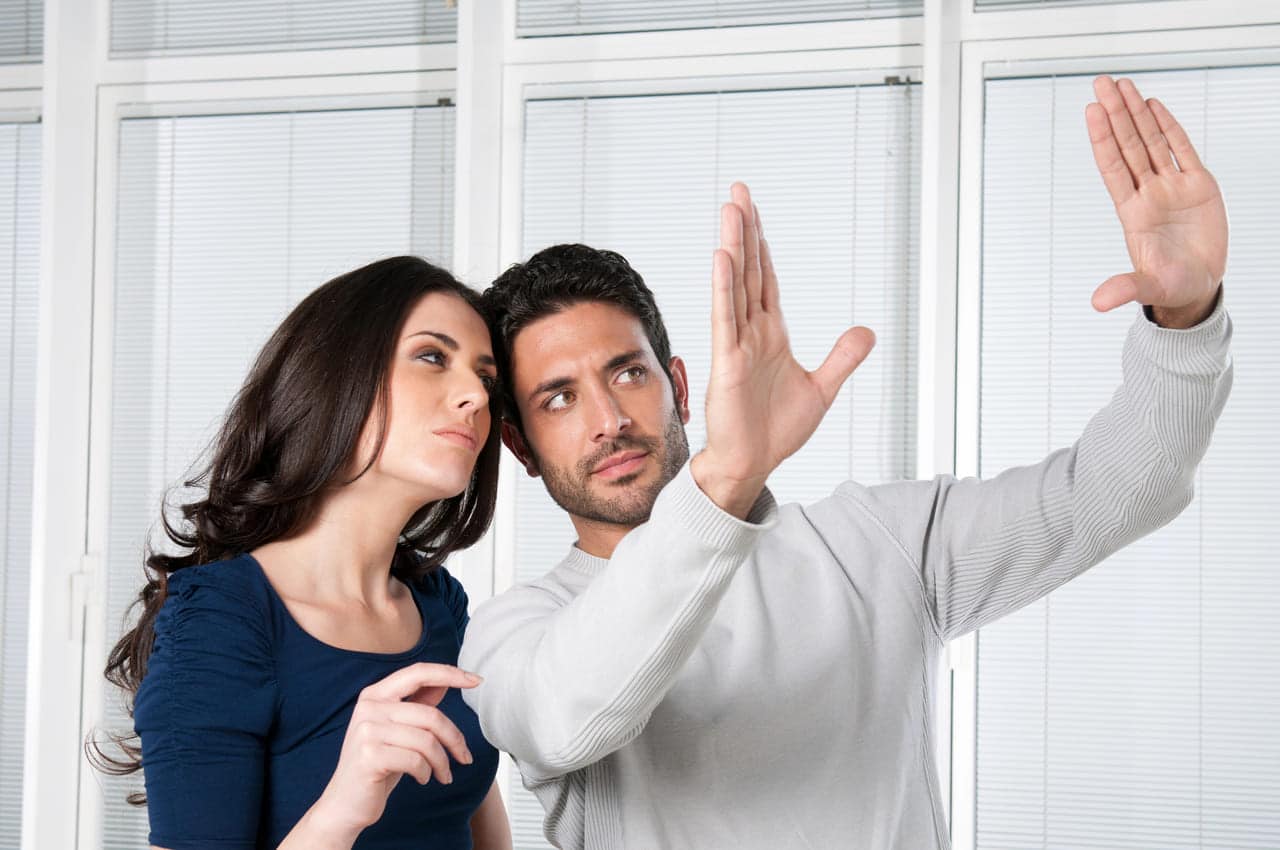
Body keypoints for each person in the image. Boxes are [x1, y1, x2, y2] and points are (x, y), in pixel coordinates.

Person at [458, 75, 1233, 849]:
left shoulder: (879, 544)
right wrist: (728, 477)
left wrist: (1186, 318)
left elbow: (1129, 484)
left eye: (628, 373)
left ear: (680, 387)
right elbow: (572, 713)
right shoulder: (513, 634)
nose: (608, 421)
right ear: (521, 446)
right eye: (558, 399)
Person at [93, 256, 514, 850]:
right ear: (336, 375)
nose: (475, 394)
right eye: (431, 357)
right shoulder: (219, 619)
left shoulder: (440, 606)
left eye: (486, 378)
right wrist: (344, 807)